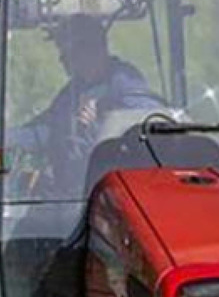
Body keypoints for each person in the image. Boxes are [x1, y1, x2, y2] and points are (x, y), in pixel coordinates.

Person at [10, 13, 161, 196]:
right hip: (72, 193)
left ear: (93, 50)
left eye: (66, 56)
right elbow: (47, 128)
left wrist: (100, 120)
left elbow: (146, 123)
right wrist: (2, 139)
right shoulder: (73, 92)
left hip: (110, 192)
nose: (63, 63)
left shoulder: (124, 82)